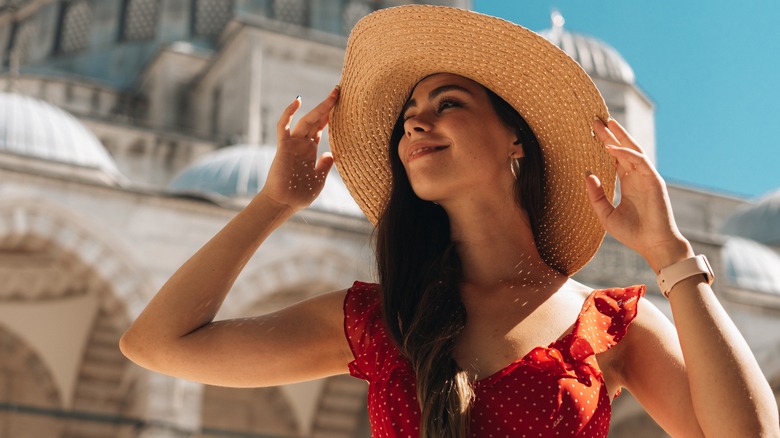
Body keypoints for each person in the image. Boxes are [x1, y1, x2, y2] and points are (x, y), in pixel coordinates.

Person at [120, 5, 779, 437]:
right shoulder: (383, 319)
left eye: (448, 101)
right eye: (409, 109)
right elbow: (158, 345)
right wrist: (273, 205)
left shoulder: (611, 326)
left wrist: (671, 254)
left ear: (516, 140)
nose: (415, 119)